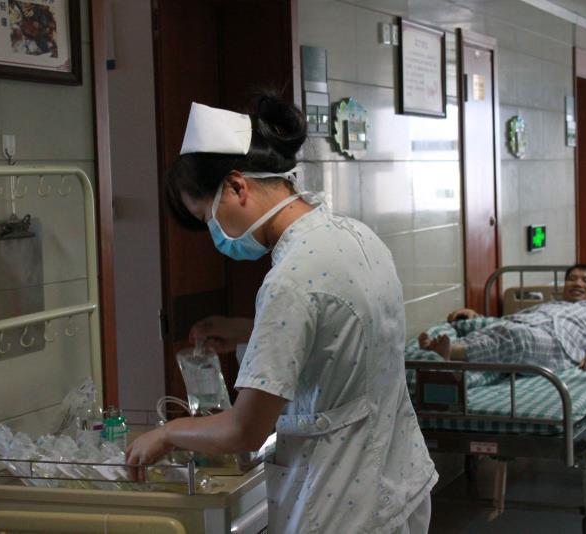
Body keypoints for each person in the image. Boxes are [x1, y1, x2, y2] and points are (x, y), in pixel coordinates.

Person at [126, 96, 437, 532]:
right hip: (398, 485)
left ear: (237, 187)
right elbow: (340, 337)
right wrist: (246, 332)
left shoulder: (289, 280)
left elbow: (245, 430)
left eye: (208, 217)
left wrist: (167, 433)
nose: (215, 234)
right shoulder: (356, 236)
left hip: (340, 505)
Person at [418, 264, 586, 372]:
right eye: (572, 279)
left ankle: (451, 351)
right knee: (487, 329)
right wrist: (474, 317)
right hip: (518, 326)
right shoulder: (549, 305)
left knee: (518, 338)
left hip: (557, 344)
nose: (578, 284)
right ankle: (444, 356)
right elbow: (504, 323)